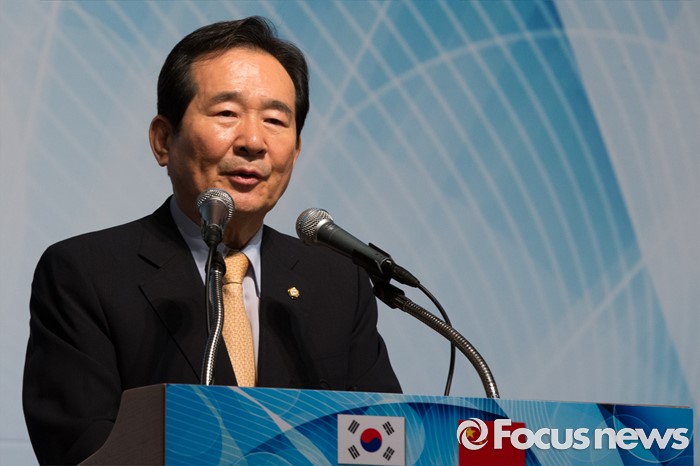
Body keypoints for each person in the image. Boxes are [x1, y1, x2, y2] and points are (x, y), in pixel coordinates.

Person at [22, 17, 401, 465]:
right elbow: (81, 450)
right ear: (163, 141)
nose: (254, 141)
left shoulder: (339, 284)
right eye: (226, 114)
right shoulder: (85, 273)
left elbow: (387, 446)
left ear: (296, 151)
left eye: (276, 120)